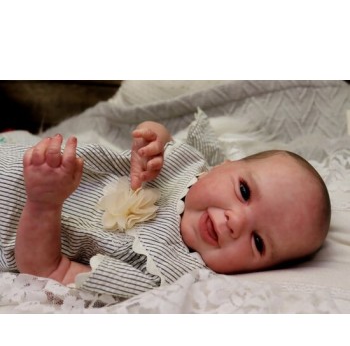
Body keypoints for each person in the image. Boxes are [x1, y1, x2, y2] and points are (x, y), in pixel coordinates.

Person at [1, 111, 331, 298]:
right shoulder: (191, 166)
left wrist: (43, 203)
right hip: (23, 147)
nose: (236, 222)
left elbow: (45, 270)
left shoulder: (166, 275)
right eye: (244, 191)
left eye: (258, 242)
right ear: (226, 165)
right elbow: (161, 135)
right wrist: (151, 142)